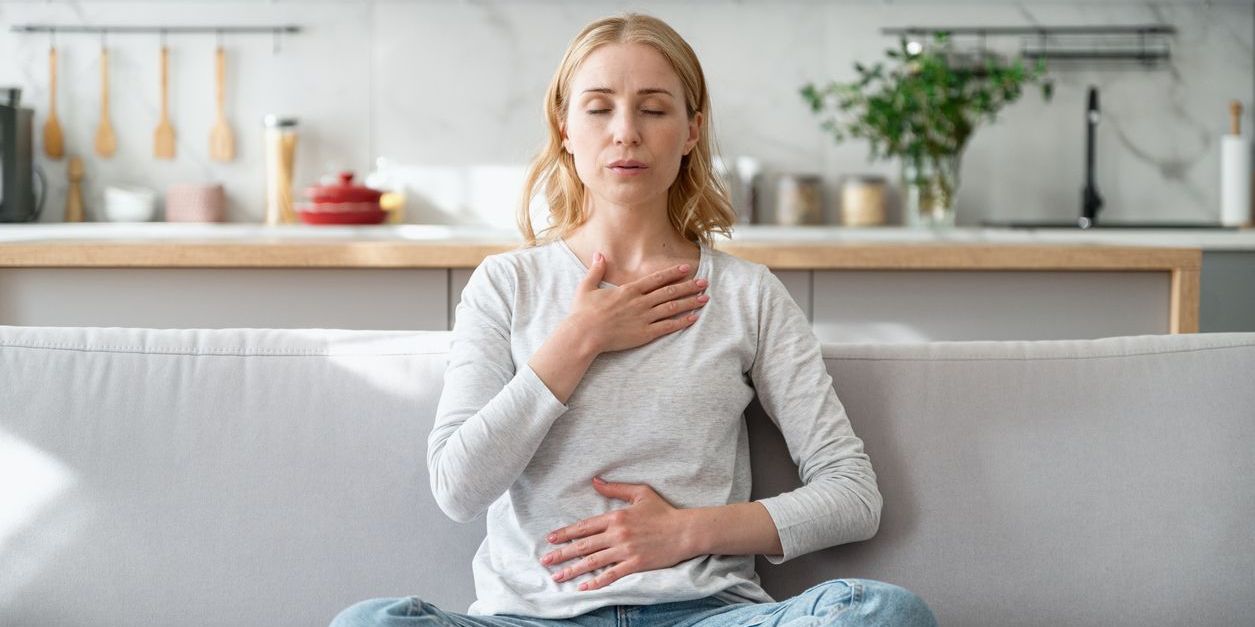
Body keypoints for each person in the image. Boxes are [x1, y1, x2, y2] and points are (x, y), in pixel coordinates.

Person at [331, 12, 936, 627]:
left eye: (653, 109)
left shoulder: (747, 294)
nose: (625, 133)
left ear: (692, 130)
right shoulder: (506, 284)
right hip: (529, 620)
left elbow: (853, 495)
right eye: (599, 108)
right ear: (564, 127)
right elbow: (457, 488)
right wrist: (581, 338)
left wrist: (685, 533)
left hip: (706, 615)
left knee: (885, 614)